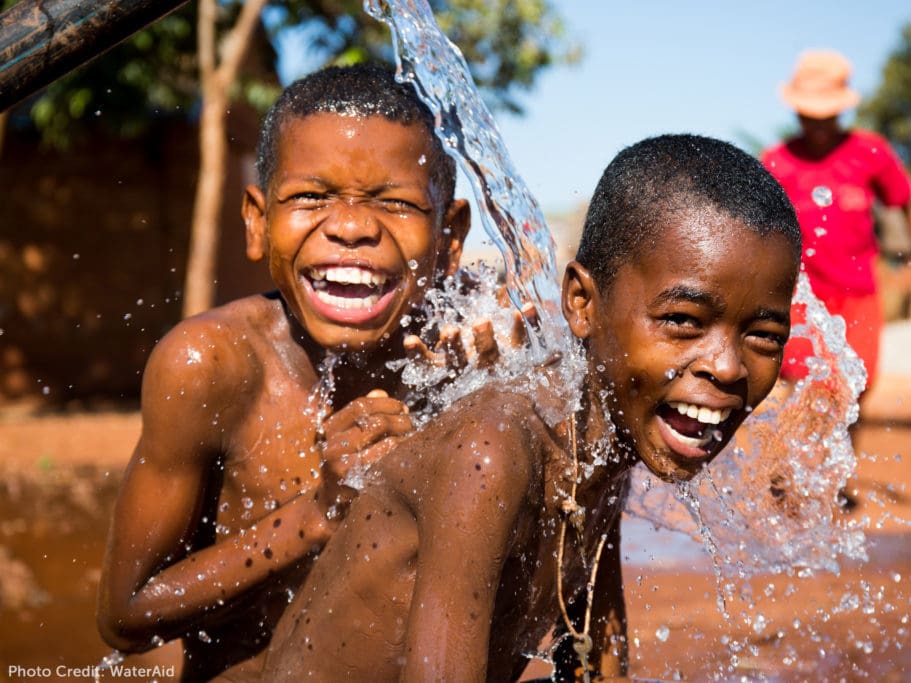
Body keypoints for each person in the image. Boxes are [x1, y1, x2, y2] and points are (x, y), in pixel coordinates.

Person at [260, 134, 802, 682]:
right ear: (582, 304)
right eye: (683, 321)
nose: (728, 367)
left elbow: (597, 660)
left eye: (763, 336)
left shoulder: (603, 442)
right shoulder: (492, 450)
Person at [96, 63, 482, 681]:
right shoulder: (213, 367)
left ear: (449, 237)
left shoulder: (463, 362)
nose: (352, 227)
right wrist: (316, 515)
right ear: (257, 221)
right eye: (310, 196)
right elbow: (126, 615)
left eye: (397, 202)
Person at [761, 49, 911, 398]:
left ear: (841, 110)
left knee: (857, 385)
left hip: (859, 293)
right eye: (808, 115)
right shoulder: (776, 162)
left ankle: (848, 452)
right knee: (804, 387)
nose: (816, 124)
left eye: (825, 116)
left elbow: (903, 199)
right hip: (800, 295)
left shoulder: (869, 152)